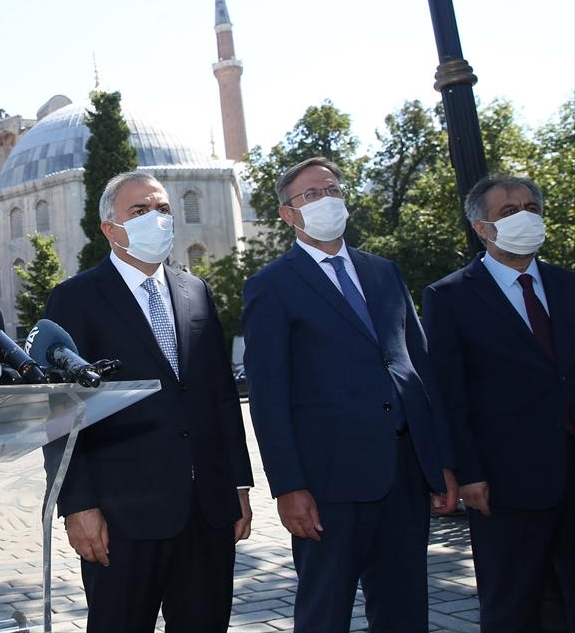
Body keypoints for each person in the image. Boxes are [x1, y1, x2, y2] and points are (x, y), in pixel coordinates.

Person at [241, 156, 457, 632]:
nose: (327, 200)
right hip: (328, 484)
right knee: (325, 612)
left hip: (405, 473)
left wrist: (439, 460)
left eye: (333, 190)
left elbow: (420, 368)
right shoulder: (271, 286)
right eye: (311, 195)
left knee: (404, 609)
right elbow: (269, 395)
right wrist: (289, 486)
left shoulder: (384, 272)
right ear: (288, 214)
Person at [41, 171, 254, 632]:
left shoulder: (194, 290)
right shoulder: (75, 299)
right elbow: (59, 410)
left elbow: (220, 395)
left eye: (162, 210)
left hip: (207, 509)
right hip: (122, 517)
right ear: (110, 228)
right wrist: (77, 505)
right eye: (140, 211)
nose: (155, 219)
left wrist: (238, 484)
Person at [423, 175, 574, 633]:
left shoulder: (567, 285)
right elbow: (448, 394)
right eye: (510, 211)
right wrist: (466, 472)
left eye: (532, 207)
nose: (525, 216)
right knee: (513, 603)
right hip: (505, 482)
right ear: (482, 227)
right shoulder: (448, 296)